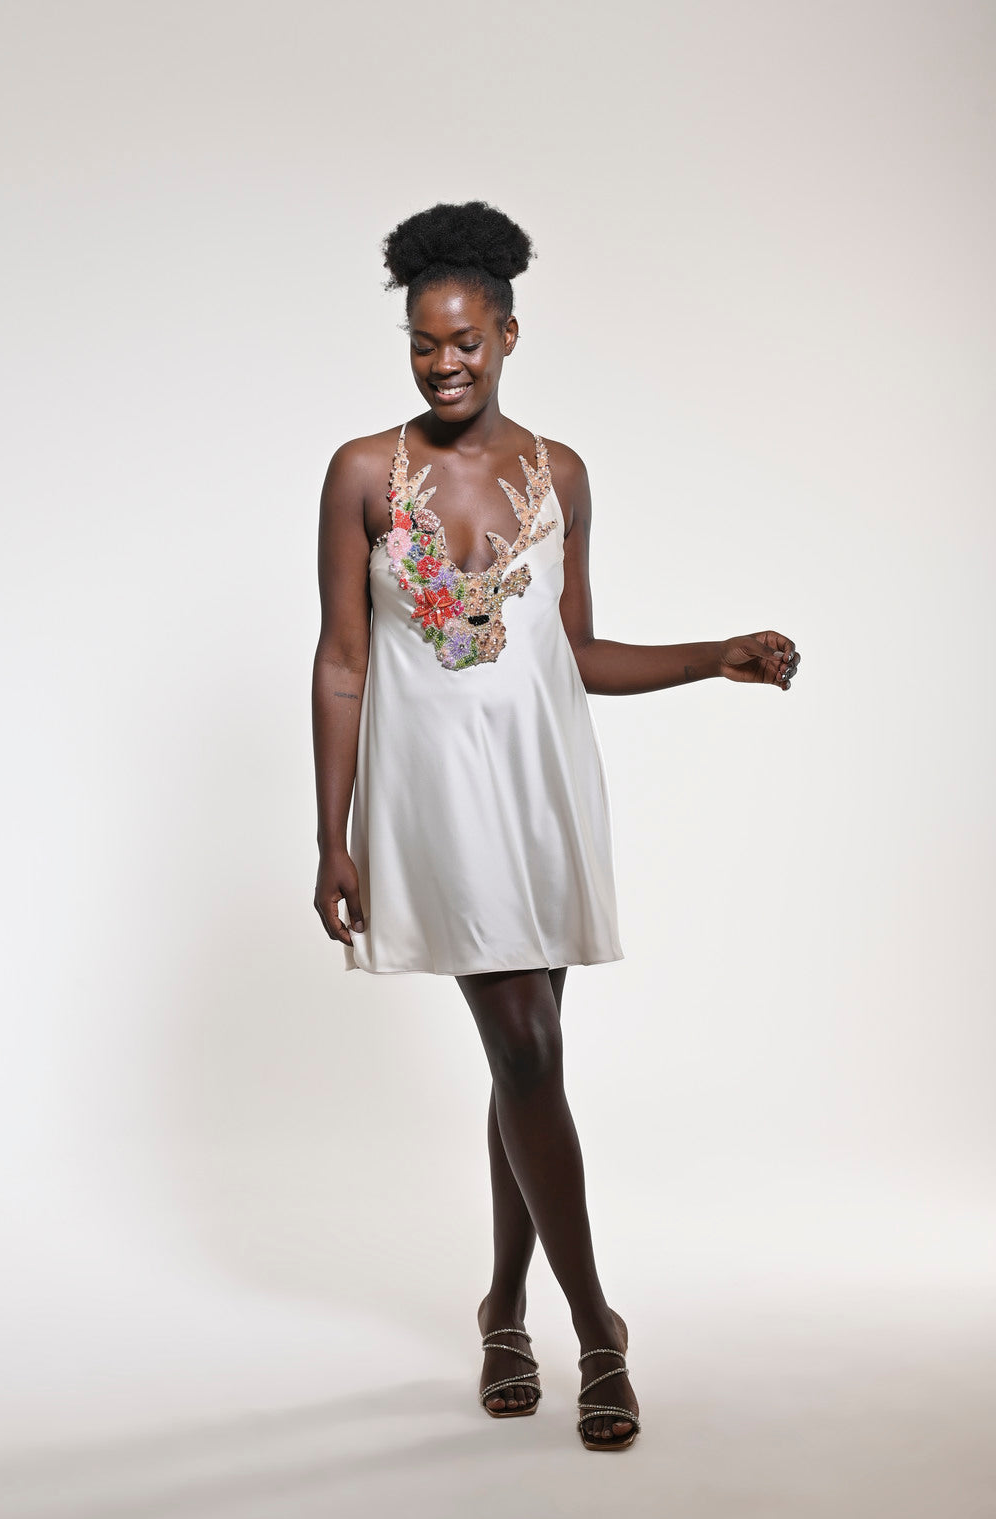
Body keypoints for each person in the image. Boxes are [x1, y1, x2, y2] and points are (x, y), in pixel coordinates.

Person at [311, 200, 800, 1452]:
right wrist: (332, 836)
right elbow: (343, 662)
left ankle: (500, 1309)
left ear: (508, 335)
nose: (442, 363)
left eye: (464, 341)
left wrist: (713, 656)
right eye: (422, 343)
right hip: (433, 804)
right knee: (527, 1048)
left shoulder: (560, 474)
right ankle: (597, 1326)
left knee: (521, 1065)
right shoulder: (362, 474)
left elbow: (572, 653)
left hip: (540, 792)